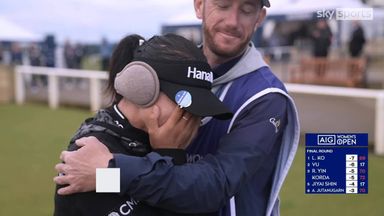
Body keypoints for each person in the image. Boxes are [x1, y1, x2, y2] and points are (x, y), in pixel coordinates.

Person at [54, 0, 300, 215]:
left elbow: (217, 186)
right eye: (222, 5)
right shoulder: (174, 63)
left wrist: (109, 173)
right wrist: (107, 175)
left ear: (260, 18)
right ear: (199, 5)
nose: (232, 21)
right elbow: (120, 185)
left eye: (246, 10)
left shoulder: (266, 97)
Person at [54, 33, 232, 216]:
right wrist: (168, 157)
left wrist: (167, 156)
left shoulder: (152, 140)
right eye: (186, 104)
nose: (193, 119)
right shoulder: (87, 155)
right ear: (144, 87)